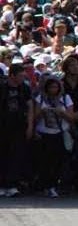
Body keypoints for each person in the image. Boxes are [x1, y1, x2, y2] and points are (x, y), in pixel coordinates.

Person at [0, 64, 33, 198]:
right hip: (2, 127)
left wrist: (30, 126)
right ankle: (1, 185)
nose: (22, 78)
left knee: (16, 155)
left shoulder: (24, 88)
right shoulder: (2, 88)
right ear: (12, 75)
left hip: (19, 127)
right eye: (20, 75)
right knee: (3, 154)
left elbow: (30, 107)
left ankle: (12, 185)